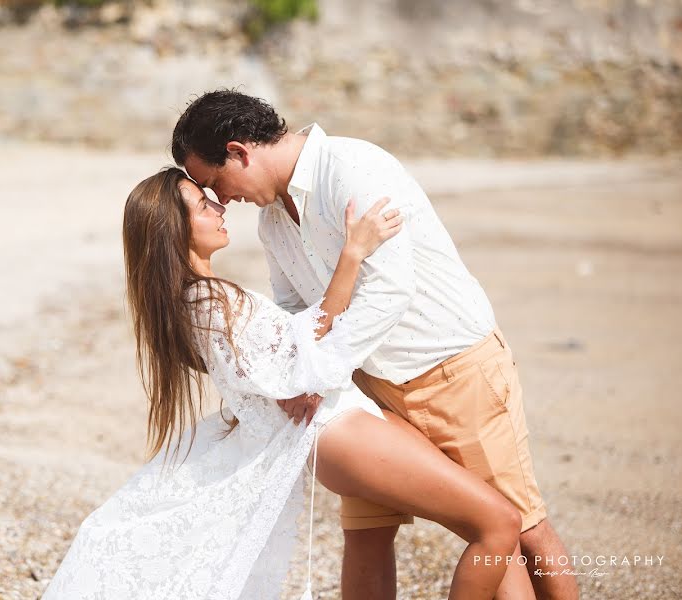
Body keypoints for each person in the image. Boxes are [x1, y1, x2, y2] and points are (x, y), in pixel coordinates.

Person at [41, 168, 524, 600]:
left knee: (415, 534)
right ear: (176, 227)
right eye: (202, 204)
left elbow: (298, 351)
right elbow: (308, 363)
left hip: (340, 427)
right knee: (498, 523)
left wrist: (301, 369)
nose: (218, 206)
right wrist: (353, 254)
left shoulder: (198, 299)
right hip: (338, 431)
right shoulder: (207, 301)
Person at [171, 89, 578, 600]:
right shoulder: (273, 220)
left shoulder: (352, 167)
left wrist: (314, 374)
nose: (222, 200)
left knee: (518, 528)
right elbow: (297, 309)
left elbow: (389, 288)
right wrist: (308, 370)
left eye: (216, 183)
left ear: (239, 151)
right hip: (365, 387)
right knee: (366, 531)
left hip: (450, 368)